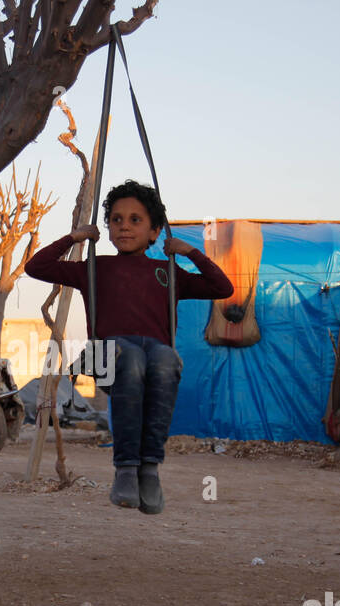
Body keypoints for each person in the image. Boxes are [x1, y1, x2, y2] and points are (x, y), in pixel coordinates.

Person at [24, 180, 234, 513]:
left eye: (135, 220)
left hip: (151, 357)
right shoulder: (96, 268)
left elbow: (221, 287)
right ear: (107, 228)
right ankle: (124, 468)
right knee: (133, 356)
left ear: (154, 232)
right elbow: (36, 267)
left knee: (166, 359)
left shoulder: (167, 271)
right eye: (117, 219)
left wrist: (191, 252)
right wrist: (75, 238)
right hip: (107, 356)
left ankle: (148, 468)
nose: (124, 226)